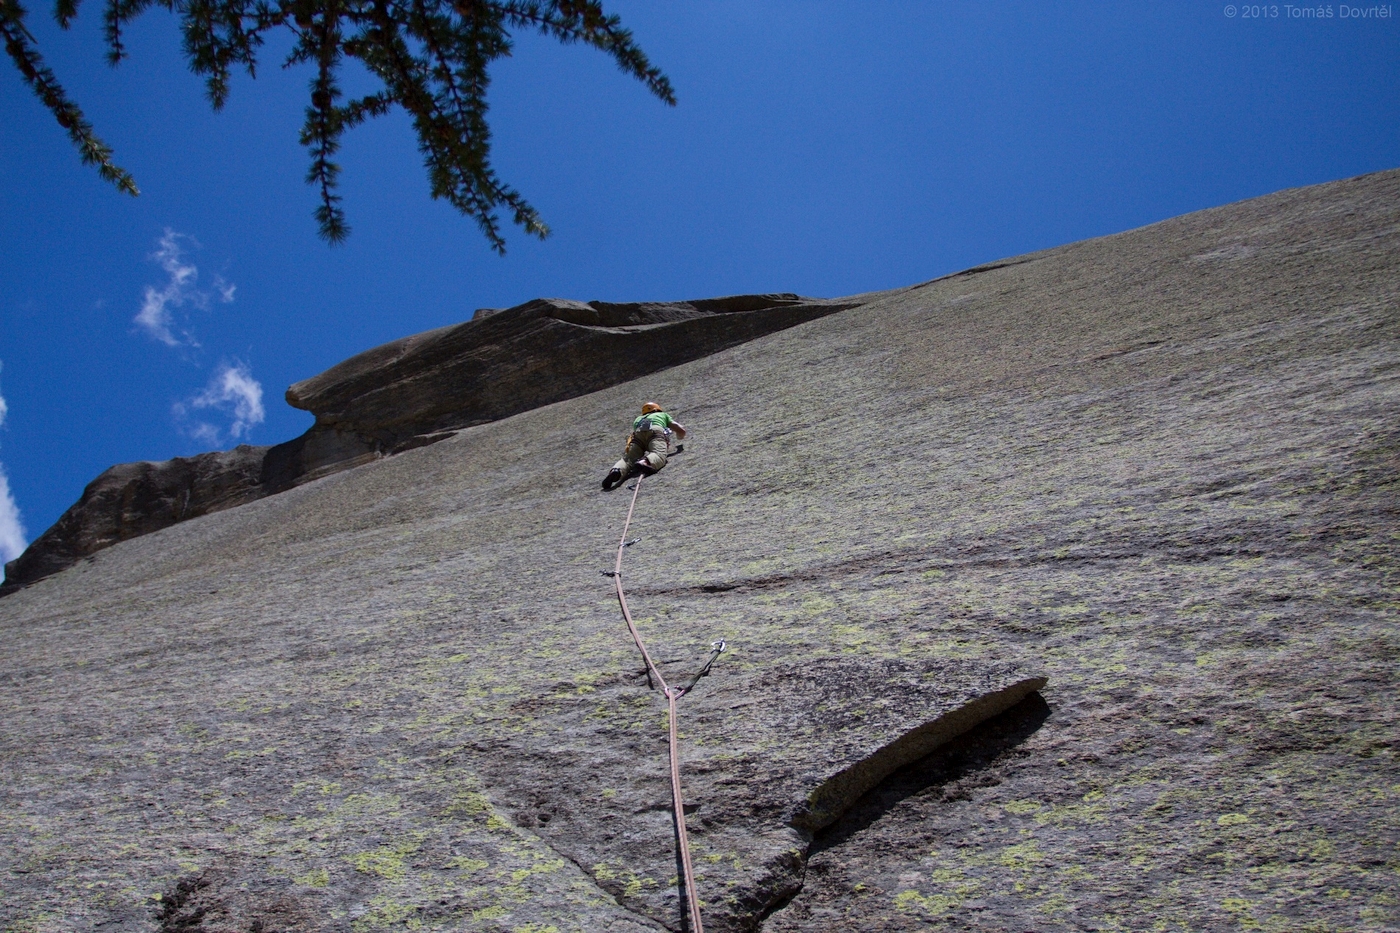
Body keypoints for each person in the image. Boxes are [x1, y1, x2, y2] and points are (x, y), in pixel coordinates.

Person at [601, 402, 687, 490]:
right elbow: (681, 430)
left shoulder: (638, 419)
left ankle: (616, 470)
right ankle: (645, 462)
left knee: (628, 459)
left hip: (637, 435)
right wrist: (679, 437)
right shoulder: (662, 414)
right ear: (657, 409)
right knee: (658, 453)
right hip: (655, 433)